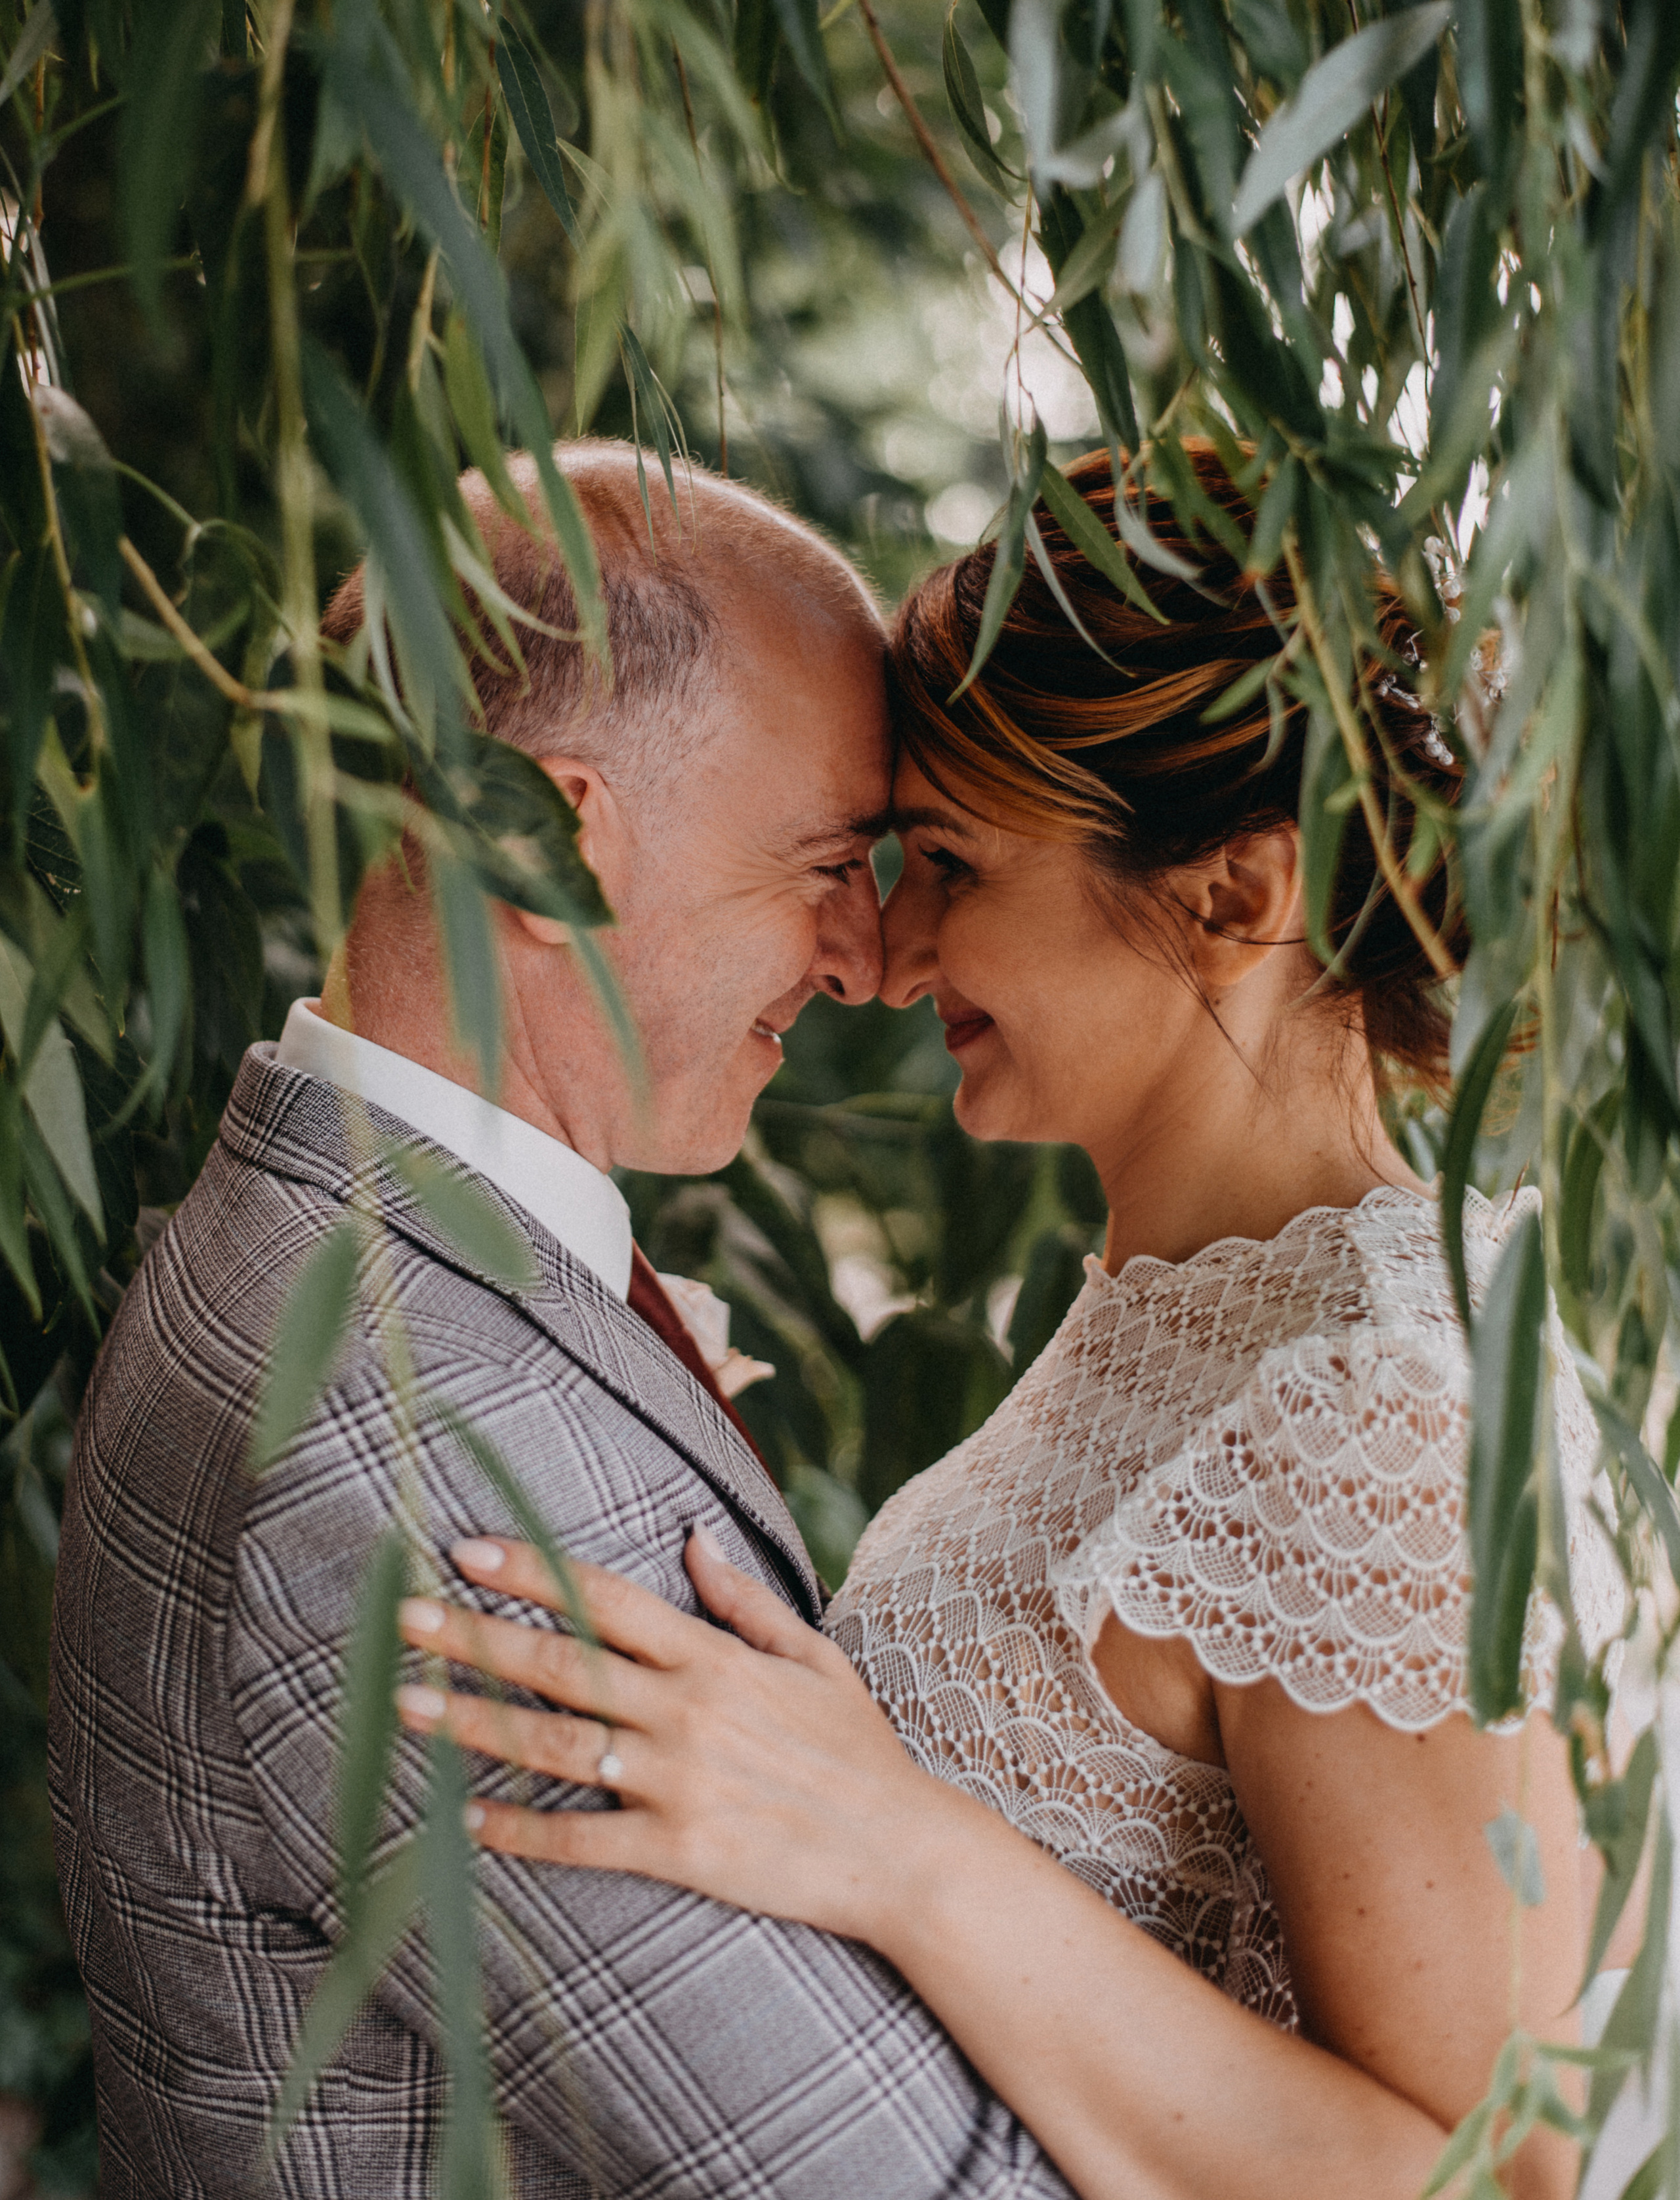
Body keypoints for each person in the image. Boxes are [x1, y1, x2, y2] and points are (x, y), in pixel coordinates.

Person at [396, 446, 1626, 2200]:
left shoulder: (1385, 1406)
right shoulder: (1194, 1296)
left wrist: (908, 1853)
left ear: (1233, 897)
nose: (885, 958)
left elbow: (1496, 2176)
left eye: (951, 869)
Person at [48, 443, 1079, 2199]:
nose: (864, 956)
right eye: (830, 859)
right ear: (546, 840)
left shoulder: (352, 1264)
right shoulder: (413, 1458)